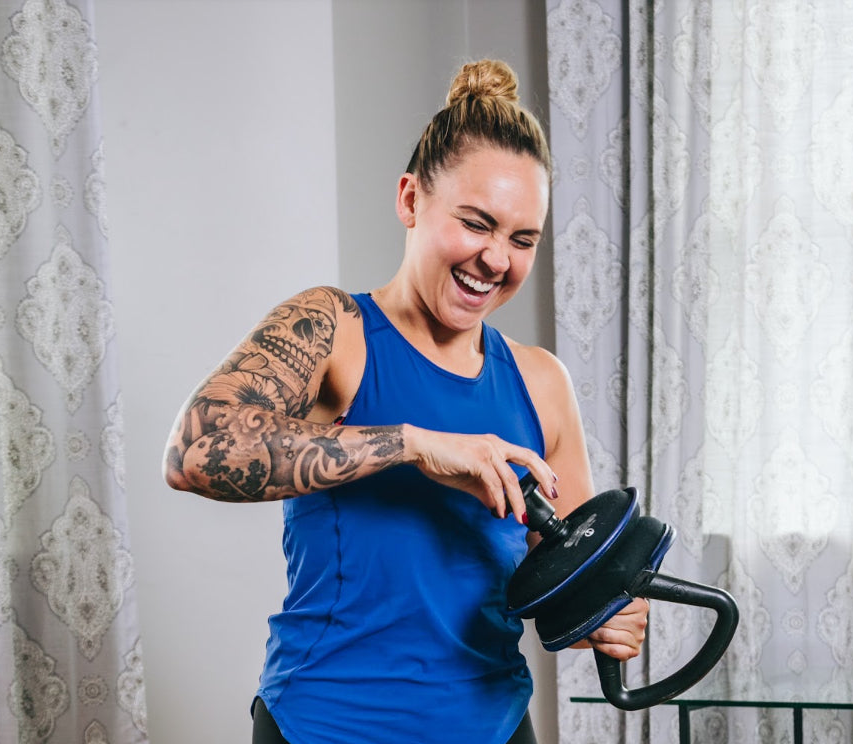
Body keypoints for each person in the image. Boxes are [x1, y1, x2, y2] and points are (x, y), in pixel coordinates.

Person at [162, 59, 649, 744]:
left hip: (493, 725)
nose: (496, 260)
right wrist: (414, 445)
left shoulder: (542, 382)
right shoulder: (335, 331)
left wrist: (606, 615)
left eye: (522, 239)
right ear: (411, 200)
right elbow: (199, 451)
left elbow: (564, 578)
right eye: (476, 223)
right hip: (326, 725)